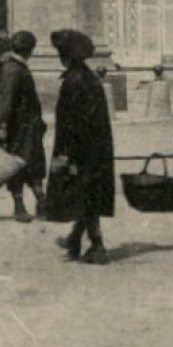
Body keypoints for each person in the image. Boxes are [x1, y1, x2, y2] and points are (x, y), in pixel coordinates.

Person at [49, 29, 115, 264]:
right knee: (87, 194)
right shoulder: (87, 77)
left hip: (81, 150)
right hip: (95, 148)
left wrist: (68, 155)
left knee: (85, 195)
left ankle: (97, 246)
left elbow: (72, 123)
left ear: (66, 56)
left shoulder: (73, 81)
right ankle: (76, 238)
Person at [0, 30, 48, 222]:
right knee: (16, 165)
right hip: (17, 127)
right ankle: (20, 207)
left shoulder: (15, 67)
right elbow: (5, 101)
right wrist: (1, 125)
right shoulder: (14, 69)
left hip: (27, 126)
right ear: (29, 50)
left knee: (32, 164)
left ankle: (41, 203)